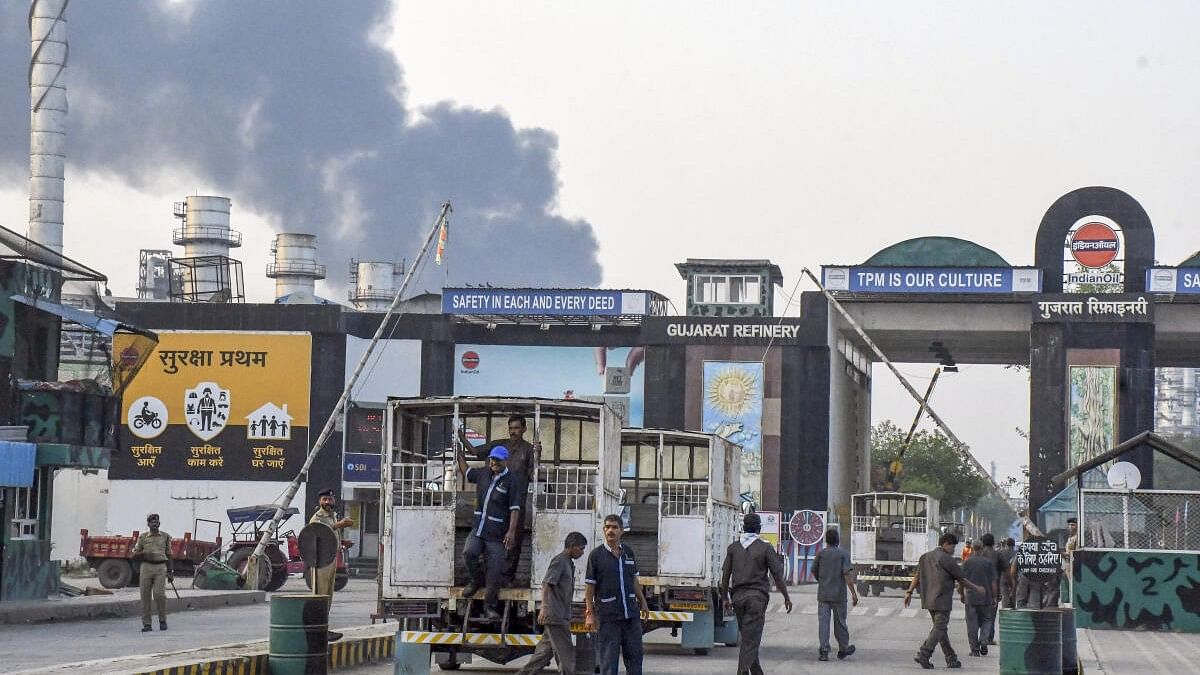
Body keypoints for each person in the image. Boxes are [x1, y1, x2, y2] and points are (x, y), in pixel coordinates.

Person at [461, 415, 538, 584]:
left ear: (524, 429)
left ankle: (508, 577)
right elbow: (475, 452)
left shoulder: (529, 450)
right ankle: (489, 576)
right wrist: (460, 437)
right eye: (511, 428)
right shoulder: (500, 445)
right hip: (496, 501)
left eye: (517, 428)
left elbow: (533, 475)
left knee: (513, 540)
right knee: (489, 539)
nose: (513, 432)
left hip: (517, 500)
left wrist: (538, 457)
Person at [720, 512, 794, 674]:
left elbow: (725, 575)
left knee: (748, 637)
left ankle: (756, 671)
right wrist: (786, 597)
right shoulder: (765, 548)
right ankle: (742, 671)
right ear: (759, 529)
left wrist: (725, 597)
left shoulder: (733, 548)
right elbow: (777, 575)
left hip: (737, 598)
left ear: (743, 528)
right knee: (751, 640)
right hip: (757, 599)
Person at [457, 444, 522, 620]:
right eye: (492, 459)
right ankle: (476, 579)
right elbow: (467, 472)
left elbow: (515, 508)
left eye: (498, 460)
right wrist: (459, 455)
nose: (494, 462)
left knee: (494, 572)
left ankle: (489, 606)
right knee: (469, 552)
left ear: (506, 461)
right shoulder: (483, 474)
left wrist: (511, 532)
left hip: (497, 534)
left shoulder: (512, 480)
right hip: (479, 529)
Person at [904, 533, 985, 670]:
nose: (954, 549)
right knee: (940, 628)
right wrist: (977, 588)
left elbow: (917, 576)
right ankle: (924, 653)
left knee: (940, 629)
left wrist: (909, 592)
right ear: (946, 544)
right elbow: (961, 579)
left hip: (928, 599)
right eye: (953, 546)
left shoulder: (925, 557)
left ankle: (951, 658)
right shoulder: (947, 559)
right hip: (941, 599)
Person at [585, 514, 650, 675]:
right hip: (608, 617)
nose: (610, 531)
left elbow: (633, 579)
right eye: (607, 527)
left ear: (622, 531)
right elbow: (589, 588)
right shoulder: (596, 556)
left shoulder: (628, 552)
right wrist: (590, 614)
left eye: (614, 527)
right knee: (609, 661)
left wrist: (643, 601)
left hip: (631, 616)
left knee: (635, 659)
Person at [518, 532, 588, 675]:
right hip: (556, 616)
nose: (582, 552)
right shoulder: (560, 561)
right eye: (581, 548)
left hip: (560, 615)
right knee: (566, 654)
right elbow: (546, 584)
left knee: (543, 654)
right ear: (572, 546)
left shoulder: (568, 563)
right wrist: (544, 608)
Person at [310, 488, 354, 640]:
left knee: (328, 596)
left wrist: (341, 542)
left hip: (331, 558)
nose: (327, 502)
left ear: (334, 500)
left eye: (329, 499)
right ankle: (317, 630)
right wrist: (339, 525)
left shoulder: (332, 516)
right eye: (324, 500)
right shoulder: (318, 517)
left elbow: (329, 537)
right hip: (321, 561)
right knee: (320, 596)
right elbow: (316, 533)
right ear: (320, 501)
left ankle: (324, 629)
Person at [811, 528, 857, 663]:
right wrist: (854, 593)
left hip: (823, 595)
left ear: (826, 540)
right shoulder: (843, 554)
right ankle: (843, 648)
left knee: (823, 624)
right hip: (839, 596)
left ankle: (824, 650)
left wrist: (822, 581)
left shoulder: (821, 554)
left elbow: (813, 571)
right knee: (840, 623)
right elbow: (847, 575)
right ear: (838, 540)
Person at [132, 513, 172, 632]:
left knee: (159, 595)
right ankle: (147, 624)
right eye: (152, 522)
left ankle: (162, 620)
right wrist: (143, 554)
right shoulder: (143, 537)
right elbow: (134, 555)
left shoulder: (165, 537)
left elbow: (169, 554)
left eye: (156, 522)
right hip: (146, 567)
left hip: (160, 567)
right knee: (145, 596)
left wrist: (170, 572)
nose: (154, 524)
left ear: (159, 523)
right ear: (148, 524)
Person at [959, 537, 999, 657]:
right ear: (982, 549)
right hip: (986, 598)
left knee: (972, 624)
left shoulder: (966, 562)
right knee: (987, 620)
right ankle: (984, 640)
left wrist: (961, 594)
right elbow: (993, 582)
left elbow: (961, 580)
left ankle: (975, 650)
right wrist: (994, 597)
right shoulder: (988, 563)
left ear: (972, 548)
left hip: (971, 598)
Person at [998, 538, 1017, 610]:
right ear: (1014, 544)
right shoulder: (1017, 553)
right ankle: (1013, 611)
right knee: (1013, 595)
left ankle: (1005, 612)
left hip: (1003, 577)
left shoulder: (1001, 553)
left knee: (1005, 595)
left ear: (1006, 544)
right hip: (1014, 578)